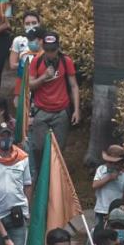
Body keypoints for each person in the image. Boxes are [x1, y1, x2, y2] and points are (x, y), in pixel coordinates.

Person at [28, 31, 81, 166]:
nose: (50, 53)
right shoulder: (36, 61)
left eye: (53, 50)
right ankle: (40, 177)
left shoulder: (66, 61)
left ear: (58, 48)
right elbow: (30, 85)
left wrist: (76, 110)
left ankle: (55, 180)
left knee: (58, 150)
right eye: (47, 50)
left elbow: (74, 86)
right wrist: (44, 77)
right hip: (41, 110)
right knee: (38, 148)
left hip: (61, 111)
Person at [92, 145, 124, 228]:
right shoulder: (101, 170)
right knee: (99, 233)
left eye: (115, 163)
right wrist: (109, 178)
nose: (112, 165)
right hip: (101, 210)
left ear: (121, 163)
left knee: (116, 232)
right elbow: (94, 185)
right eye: (109, 162)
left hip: (117, 211)